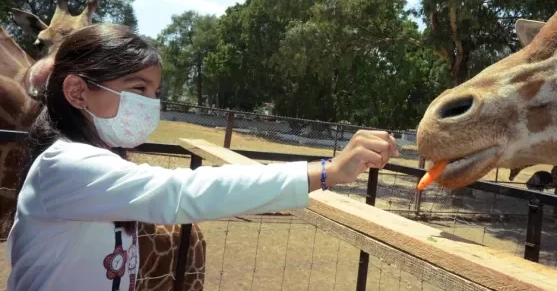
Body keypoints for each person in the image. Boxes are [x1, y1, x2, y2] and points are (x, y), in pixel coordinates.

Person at [6, 24, 399, 291]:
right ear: (77, 92)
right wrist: (327, 171)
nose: (149, 105)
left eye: (155, 93)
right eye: (137, 88)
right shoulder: (66, 166)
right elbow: (180, 193)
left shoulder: (95, 163)